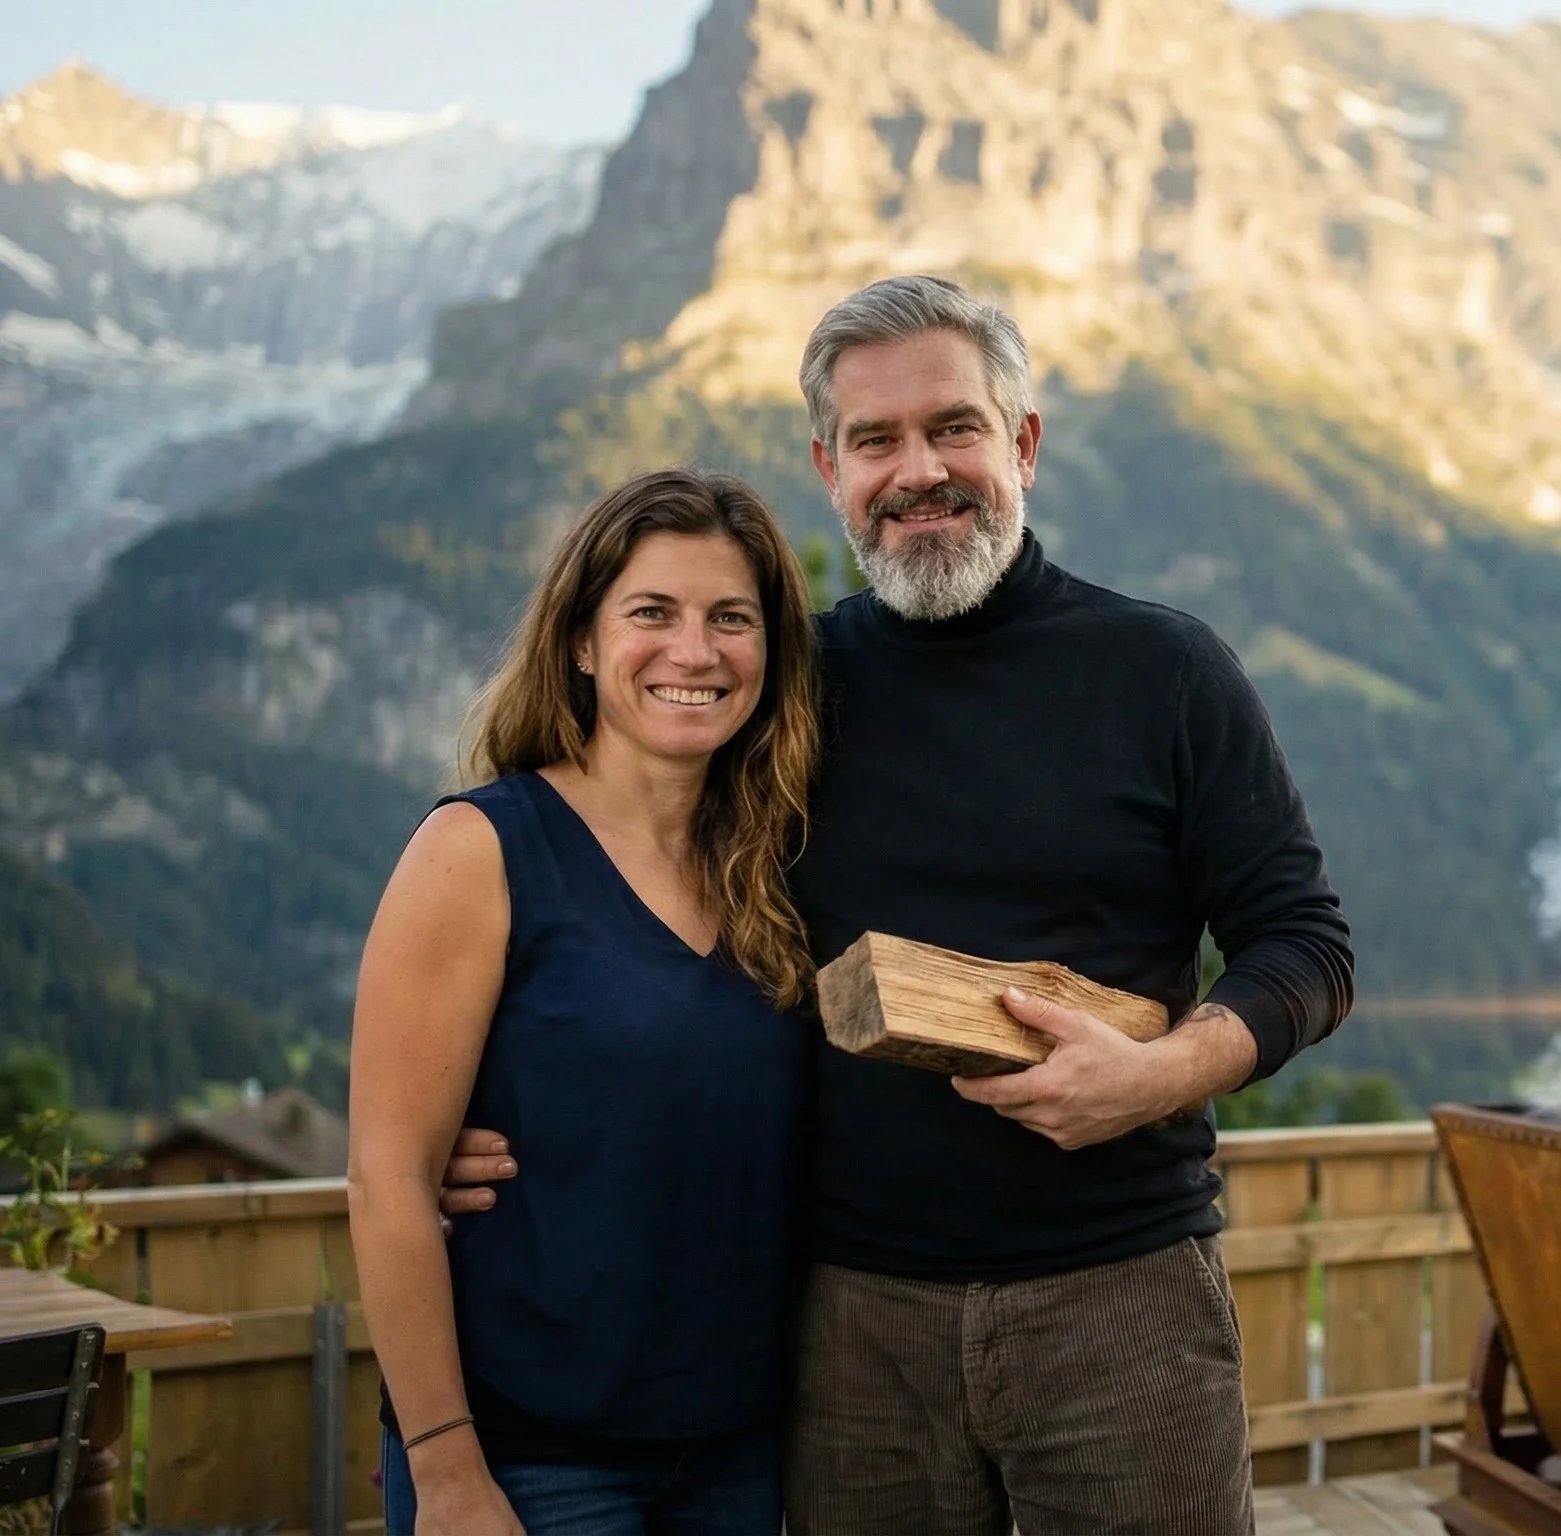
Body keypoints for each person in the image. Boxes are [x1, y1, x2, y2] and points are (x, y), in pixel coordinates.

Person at [443, 276, 1355, 1534]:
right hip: (847, 1322)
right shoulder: (779, 690)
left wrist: (1159, 1076)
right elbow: (621, 887)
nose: (918, 471)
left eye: (953, 427)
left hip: (1120, 1294)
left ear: (1022, 443)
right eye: (875, 439)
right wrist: (496, 1119)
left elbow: (1305, 945)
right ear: (830, 469)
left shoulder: (1166, 671)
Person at [349, 470, 823, 1535]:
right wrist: (447, 1470)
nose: (694, 651)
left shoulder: (781, 864)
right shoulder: (480, 850)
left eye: (731, 618)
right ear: (580, 642)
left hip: (738, 1456)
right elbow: (388, 1178)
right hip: (530, 1459)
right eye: (651, 613)